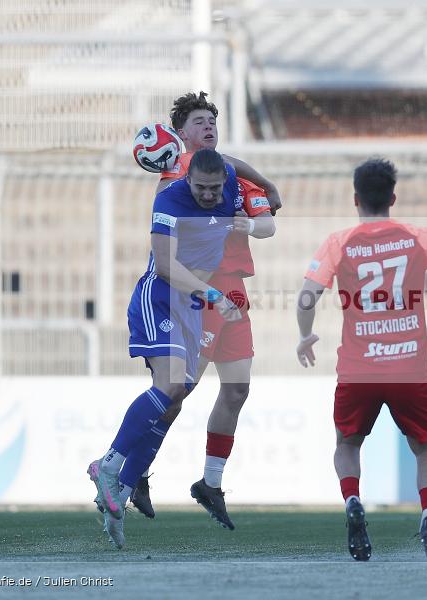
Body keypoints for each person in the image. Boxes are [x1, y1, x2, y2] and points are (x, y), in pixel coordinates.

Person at [295, 158, 427, 561]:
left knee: (347, 444)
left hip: (358, 369)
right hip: (410, 367)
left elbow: (307, 296)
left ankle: (352, 501)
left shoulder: (339, 242)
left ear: (356, 199)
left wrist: (305, 335)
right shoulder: (417, 236)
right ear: (392, 198)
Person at [87, 149, 242, 548]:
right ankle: (109, 466)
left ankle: (118, 497)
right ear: (188, 180)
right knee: (172, 385)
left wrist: (270, 192)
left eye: (214, 188)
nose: (208, 195)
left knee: (174, 401)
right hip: (161, 296)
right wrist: (215, 295)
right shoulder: (170, 198)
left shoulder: (231, 186)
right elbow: (168, 264)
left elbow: (255, 194)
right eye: (200, 188)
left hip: (190, 309)